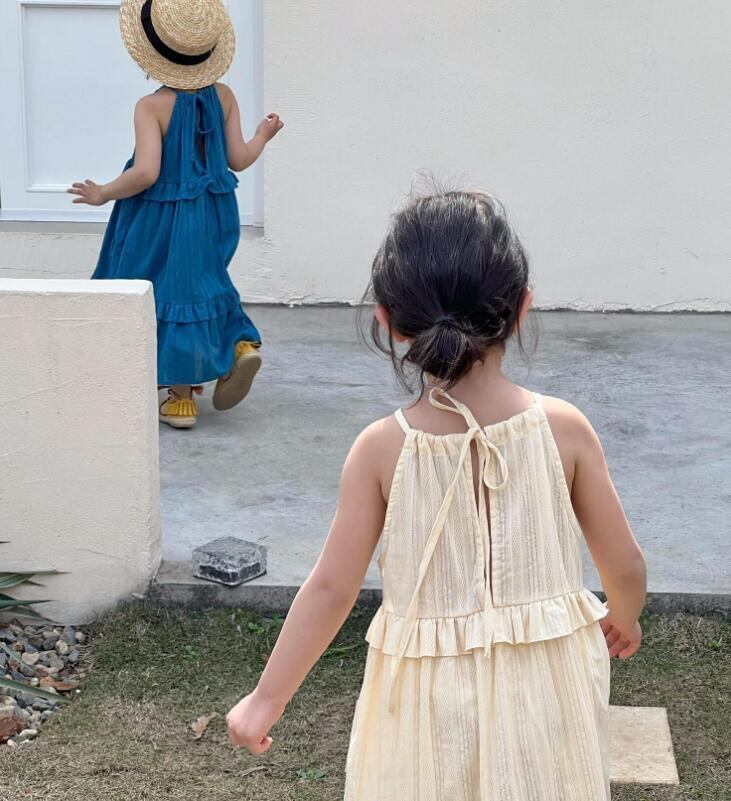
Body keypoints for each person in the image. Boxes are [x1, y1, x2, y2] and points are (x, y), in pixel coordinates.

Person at [226, 190, 647, 800]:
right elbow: (625, 564)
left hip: (424, 707)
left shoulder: (379, 449)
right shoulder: (565, 429)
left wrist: (267, 699)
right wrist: (623, 616)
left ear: (389, 321)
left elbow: (331, 589)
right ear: (521, 309)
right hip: (548, 696)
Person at [69, 0, 283, 429]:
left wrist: (103, 192)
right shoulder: (224, 96)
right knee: (204, 283)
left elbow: (146, 173)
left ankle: (180, 399)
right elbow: (238, 159)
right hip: (214, 211)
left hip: (162, 220)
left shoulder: (151, 107)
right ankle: (239, 343)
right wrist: (263, 134)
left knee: (168, 292)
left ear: (152, 55)